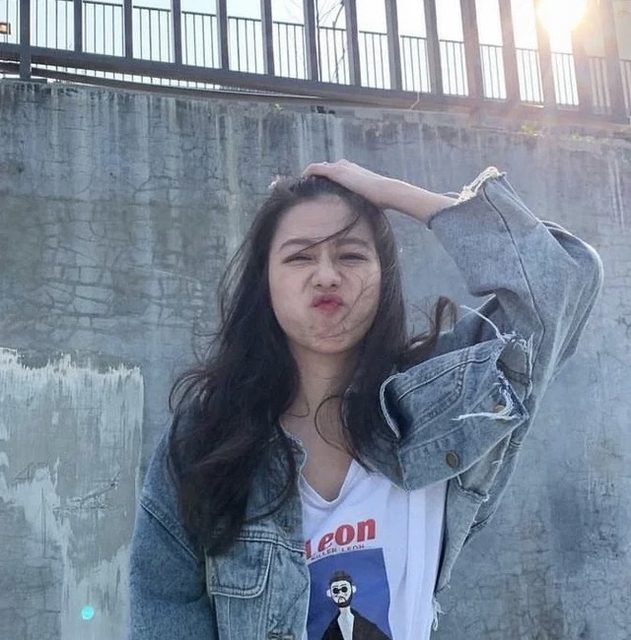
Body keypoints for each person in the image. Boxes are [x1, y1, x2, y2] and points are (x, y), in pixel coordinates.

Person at [128, 160, 603, 640]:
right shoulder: (206, 438)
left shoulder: (440, 402)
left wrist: (392, 192)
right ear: (264, 281)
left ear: (384, 275)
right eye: (300, 257)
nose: (327, 275)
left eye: (351, 255)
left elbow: (563, 279)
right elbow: (162, 608)